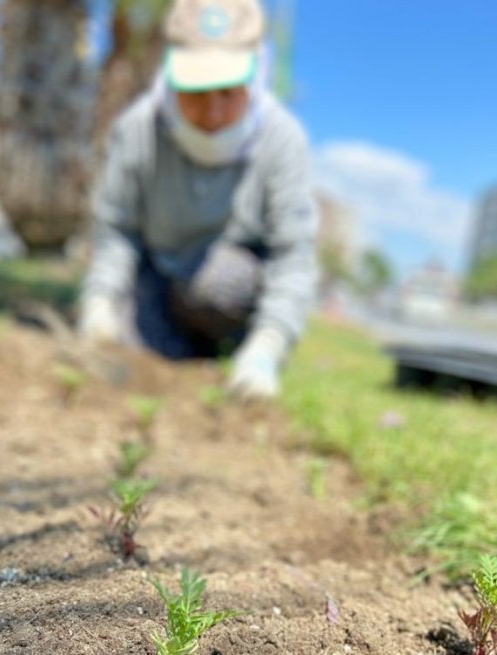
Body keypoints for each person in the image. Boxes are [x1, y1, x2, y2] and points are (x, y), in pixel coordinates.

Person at [78, 0, 319, 398]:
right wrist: (100, 302)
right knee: (129, 350)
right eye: (197, 91)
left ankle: (226, 350)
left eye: (228, 91)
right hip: (157, 277)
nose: (212, 110)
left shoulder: (282, 140)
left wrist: (268, 346)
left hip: (225, 288)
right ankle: (174, 349)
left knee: (220, 283)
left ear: (256, 75)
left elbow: (293, 256)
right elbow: (118, 229)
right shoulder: (138, 130)